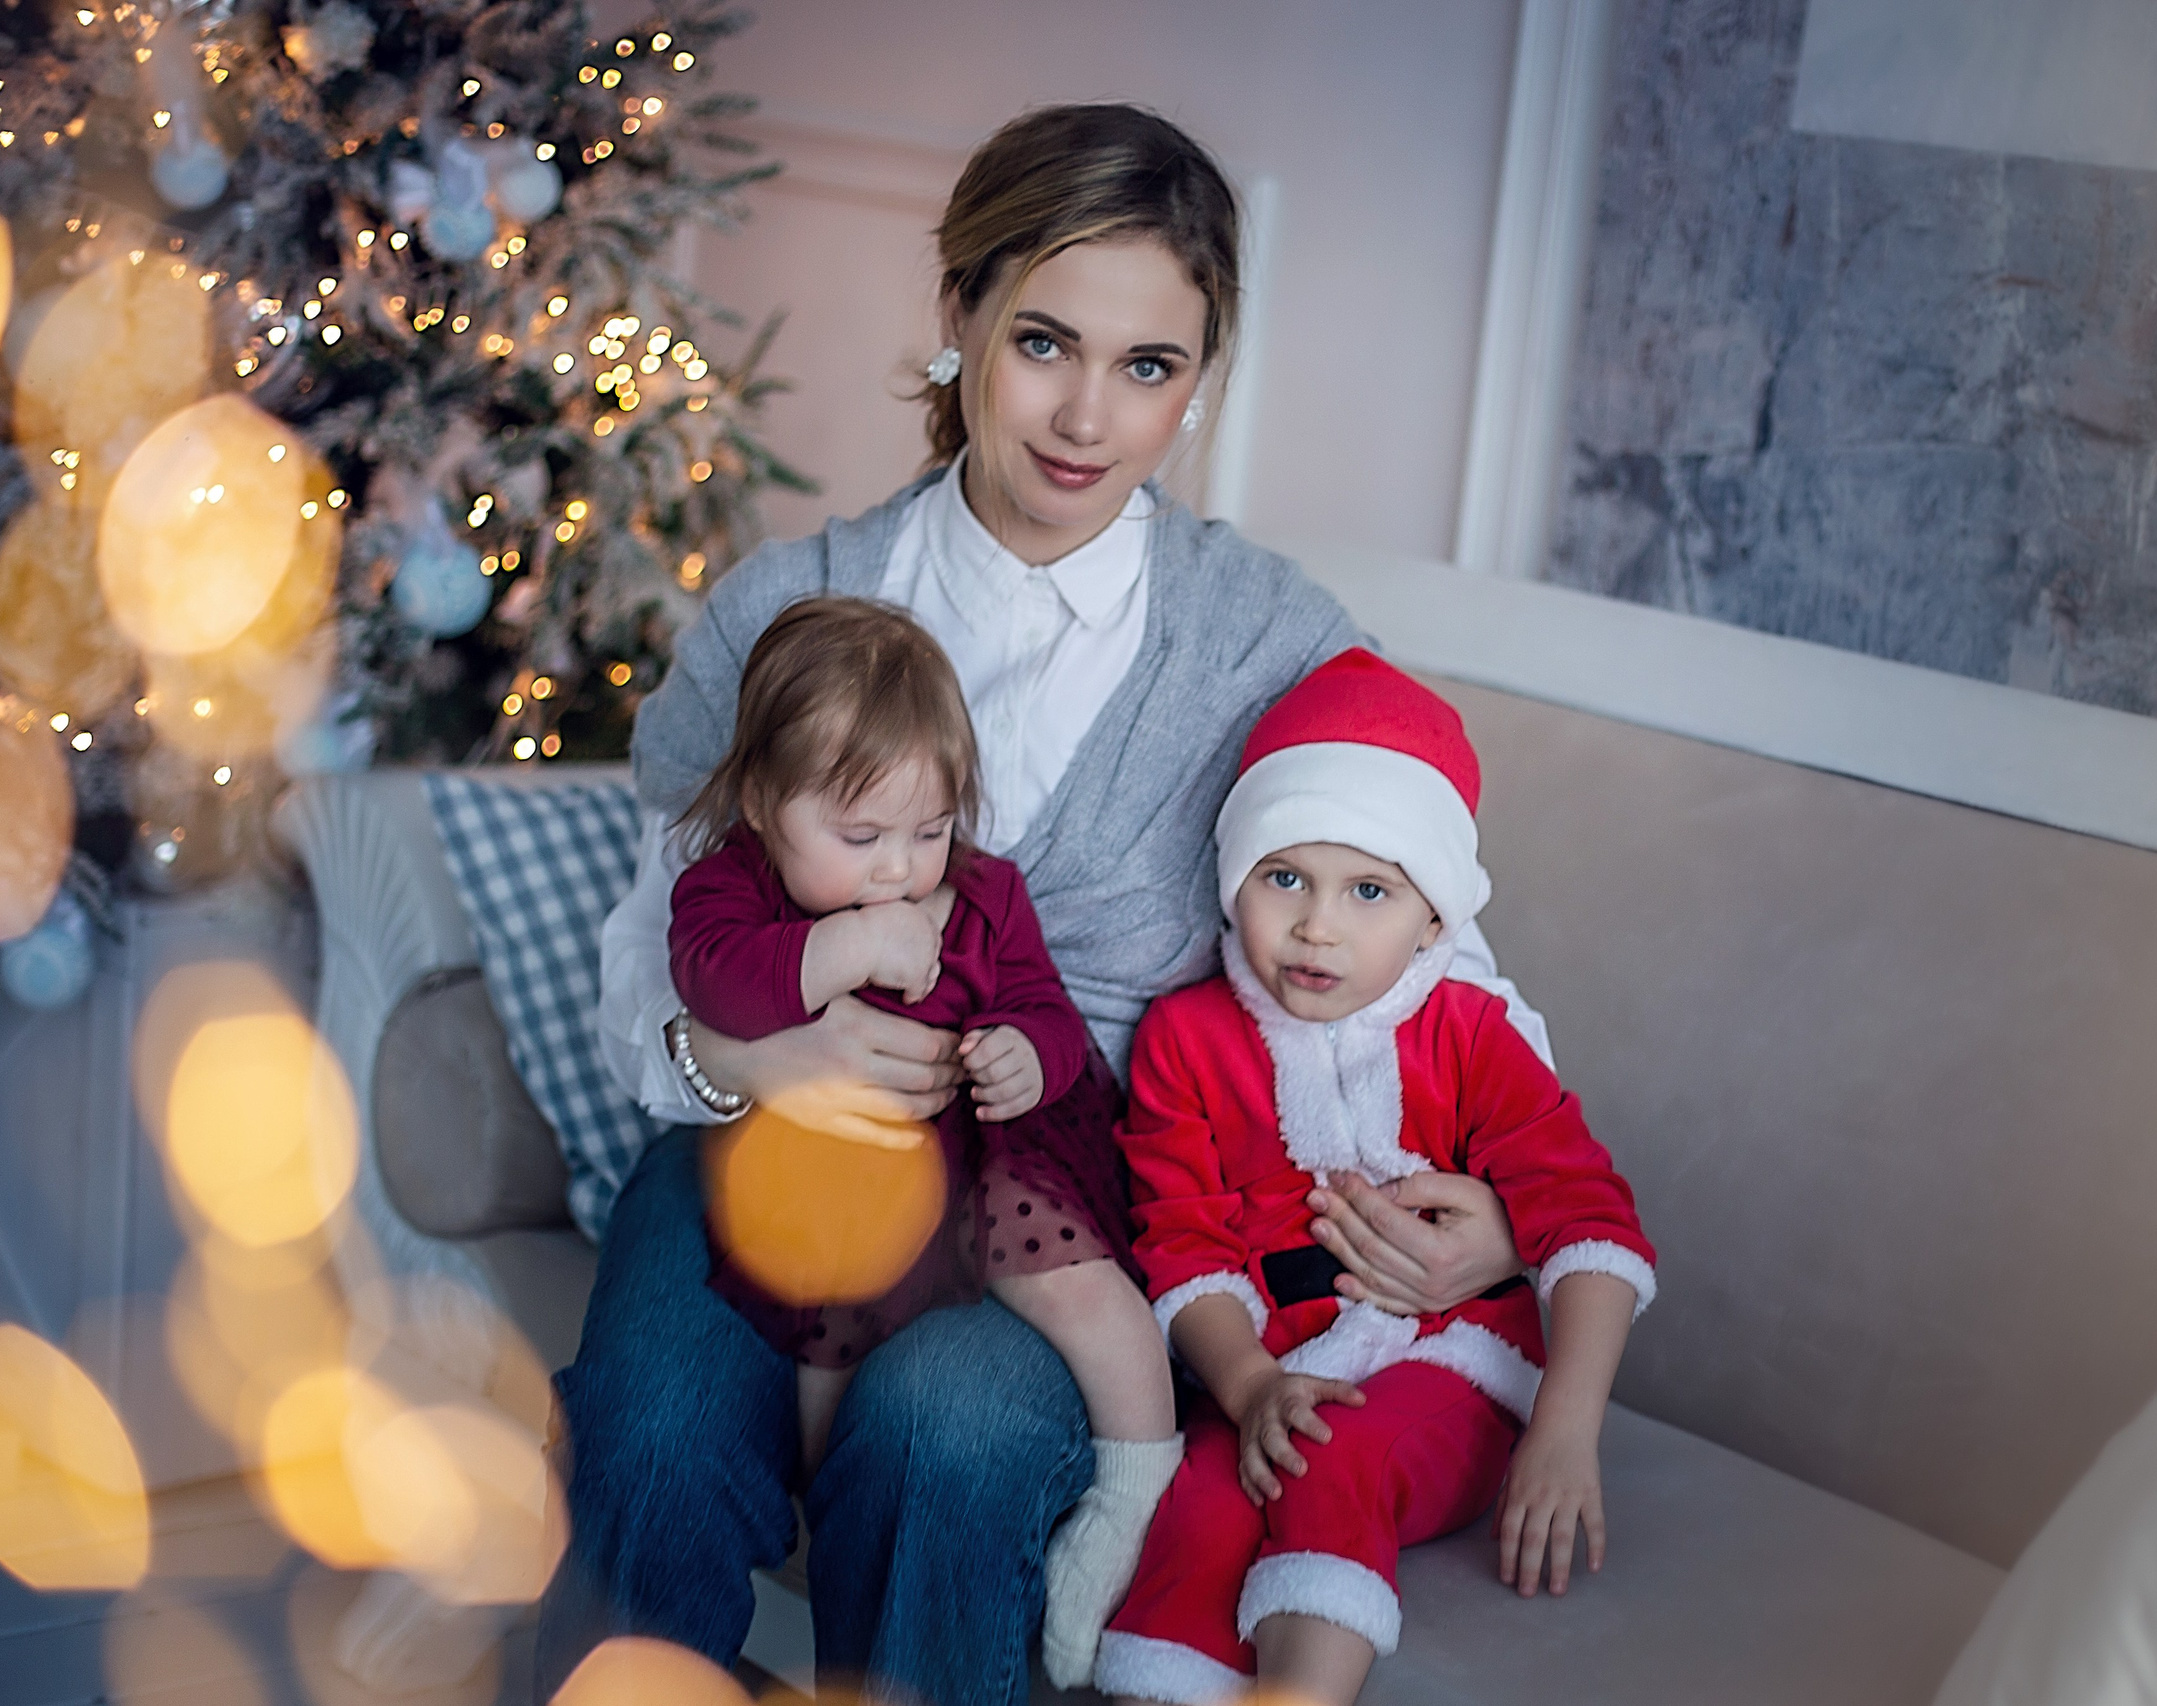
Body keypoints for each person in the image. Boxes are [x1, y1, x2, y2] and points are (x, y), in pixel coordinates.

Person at [543, 103, 1553, 1706]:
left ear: (1200, 379)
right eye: (1042, 342)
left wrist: (1507, 1209)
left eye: (1150, 367)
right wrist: (747, 1064)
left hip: (1063, 1192)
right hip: (766, 1146)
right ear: (955, 322)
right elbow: (642, 942)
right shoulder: (785, 612)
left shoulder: (1269, 645)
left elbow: (1432, 955)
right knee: (653, 1420)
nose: (1088, 415)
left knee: (951, 1424)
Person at [1096, 649, 1657, 1706]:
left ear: (1434, 918)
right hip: (1278, 1369)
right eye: (1283, 877)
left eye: (1368, 889)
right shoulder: (1185, 1037)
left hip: (1461, 1364)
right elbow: (1182, 1240)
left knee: (1332, 1455)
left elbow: (1591, 1226)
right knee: (1206, 1498)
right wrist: (1251, 1383)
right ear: (1234, 879)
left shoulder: (1472, 1033)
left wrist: (1564, 1428)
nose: (1318, 925)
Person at [665, 595, 1180, 1679]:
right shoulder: (732, 891)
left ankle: (1140, 1479)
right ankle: (816, 1518)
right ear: (762, 801)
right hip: (841, 1175)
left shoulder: (984, 895)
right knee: (819, 1332)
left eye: (930, 829)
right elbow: (716, 980)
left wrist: (1023, 1053)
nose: (901, 867)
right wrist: (847, 943)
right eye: (860, 838)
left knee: (1068, 1276)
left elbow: (1045, 1007)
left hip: (994, 1145)